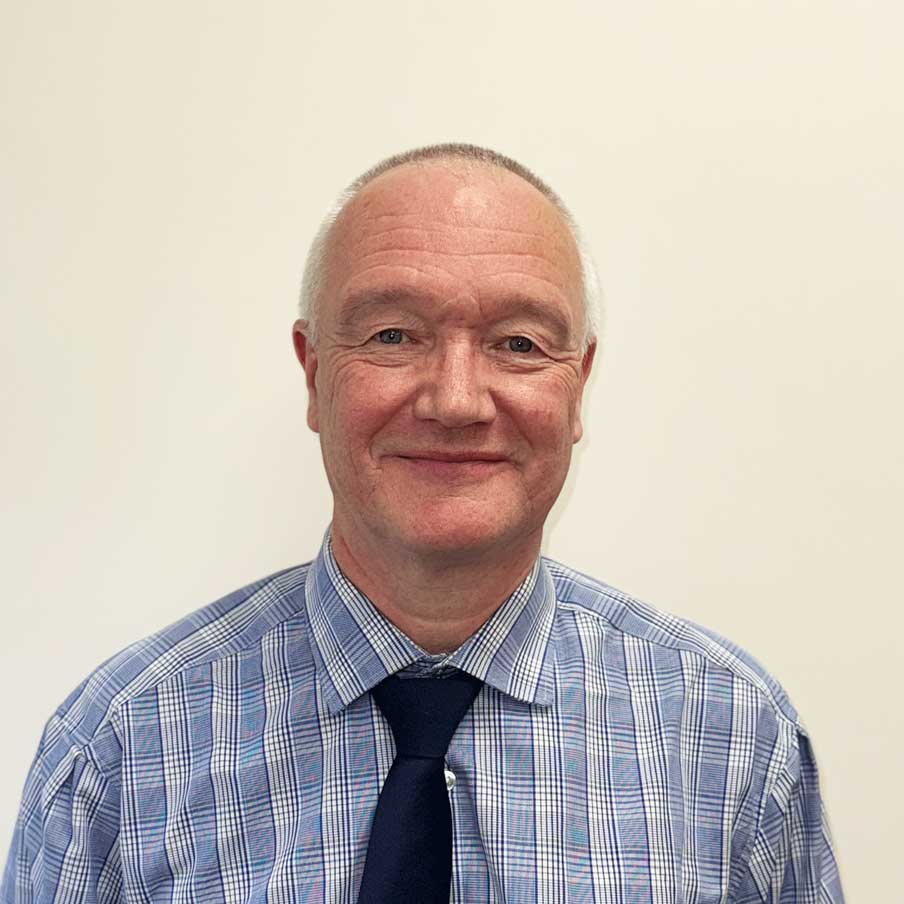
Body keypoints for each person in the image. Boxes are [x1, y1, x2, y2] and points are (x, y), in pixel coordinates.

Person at [2, 144, 845, 903]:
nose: (456, 400)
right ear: (313, 372)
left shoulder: (731, 739)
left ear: (579, 384)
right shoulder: (119, 753)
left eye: (519, 344)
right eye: (394, 334)